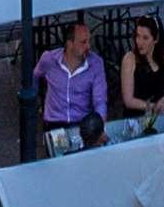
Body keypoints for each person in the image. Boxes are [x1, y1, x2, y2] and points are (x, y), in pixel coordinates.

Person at [31, 19, 109, 150]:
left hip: (83, 123)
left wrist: (98, 128)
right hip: (55, 122)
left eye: (89, 41)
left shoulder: (96, 63)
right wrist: (34, 102)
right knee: (59, 159)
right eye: (83, 42)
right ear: (69, 43)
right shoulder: (49, 60)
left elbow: (100, 101)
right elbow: (34, 76)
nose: (88, 46)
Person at [111, 18, 164, 131]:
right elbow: (128, 100)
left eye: (145, 38)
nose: (139, 42)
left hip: (161, 114)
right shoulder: (130, 59)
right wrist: (153, 106)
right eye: (137, 36)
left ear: (156, 39)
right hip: (137, 119)